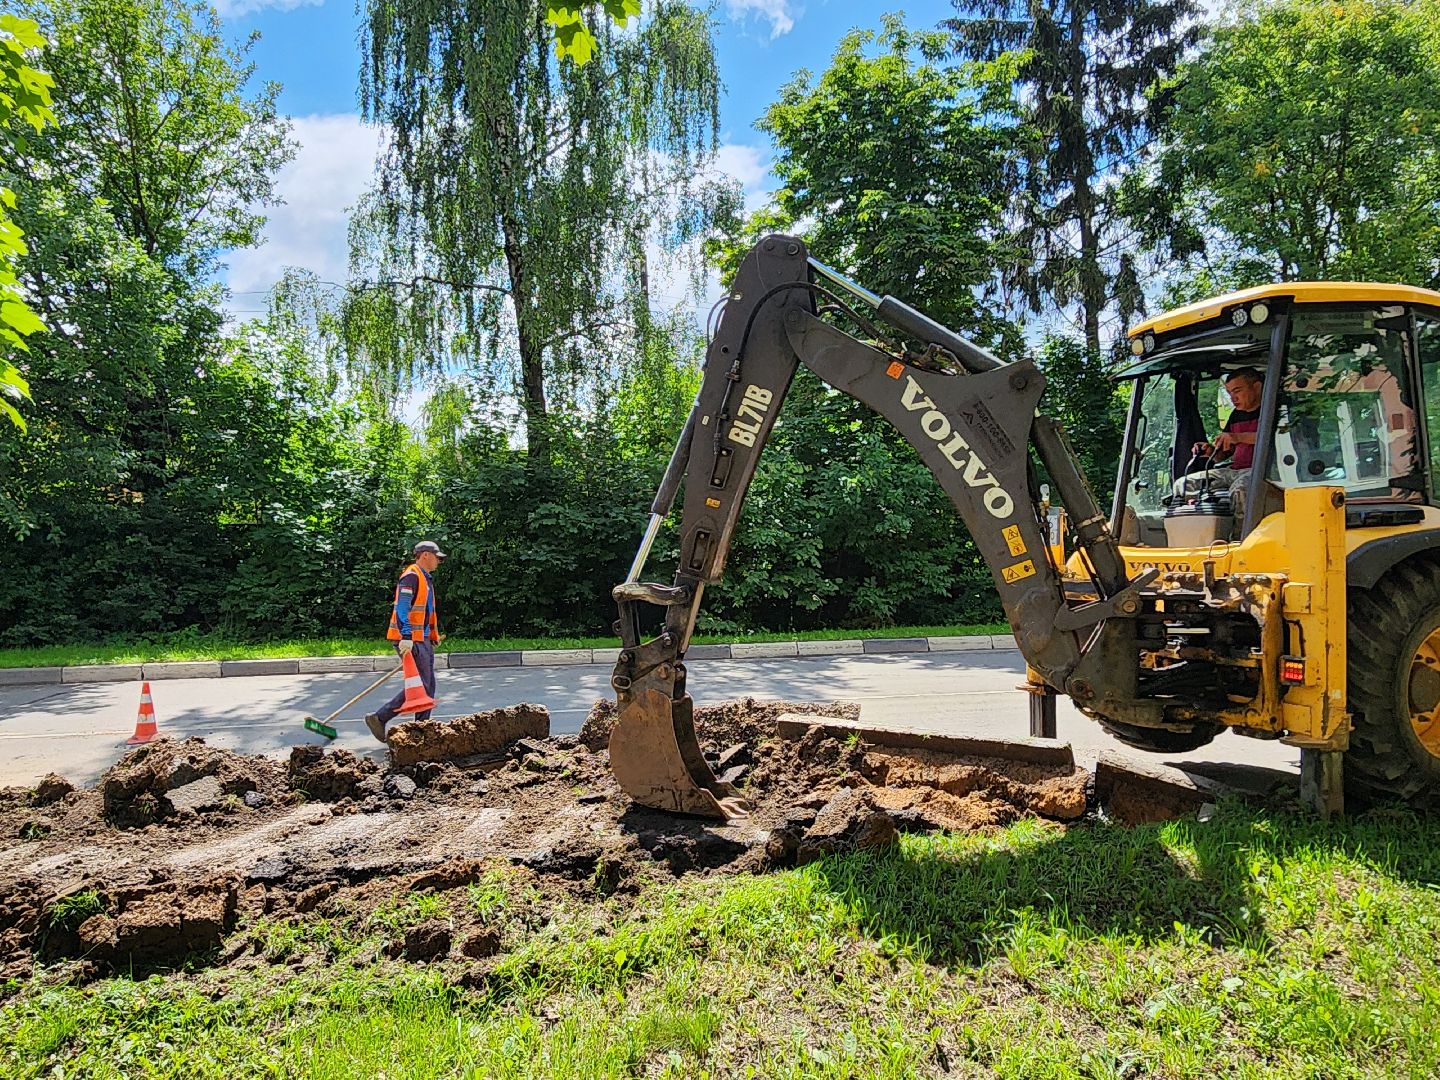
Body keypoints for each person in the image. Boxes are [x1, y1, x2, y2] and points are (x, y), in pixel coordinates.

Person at [366, 541, 445, 743]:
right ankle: (414, 730)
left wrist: (431, 635)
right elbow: (402, 607)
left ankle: (416, 728)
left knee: (426, 686)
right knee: (424, 686)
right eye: (437, 557)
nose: (439, 561)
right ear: (425, 555)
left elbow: (425, 612)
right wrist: (407, 636)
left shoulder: (425, 578)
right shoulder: (411, 575)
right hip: (410, 640)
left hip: (421, 639)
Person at [1173, 367, 1264, 517]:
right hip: (1234, 470)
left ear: (1257, 387)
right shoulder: (1236, 415)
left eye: (1237, 391)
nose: (1232, 398)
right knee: (1183, 484)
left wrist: (1238, 437)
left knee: (1241, 489)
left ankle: (1241, 536)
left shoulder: (1274, 410)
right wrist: (1210, 451)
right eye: (1229, 393)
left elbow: (1274, 438)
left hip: (1263, 471)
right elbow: (1223, 455)